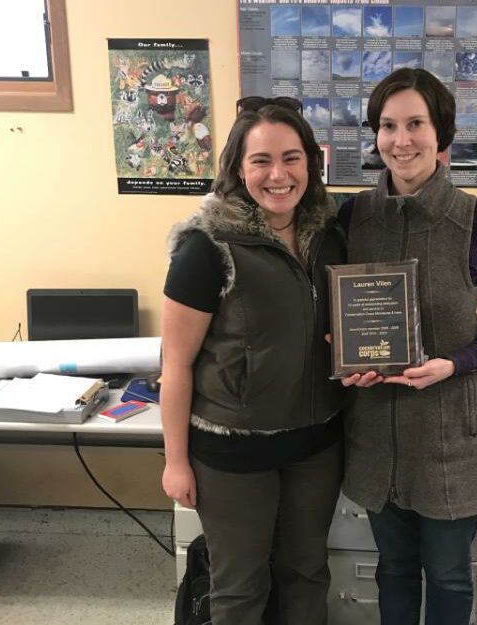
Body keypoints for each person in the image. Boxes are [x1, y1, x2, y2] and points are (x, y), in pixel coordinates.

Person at [338, 68, 477, 625]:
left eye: (415, 124)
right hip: (375, 430)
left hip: (451, 434)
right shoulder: (351, 216)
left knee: (448, 576)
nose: (401, 140)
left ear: (440, 131)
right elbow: (331, 309)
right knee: (394, 569)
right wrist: (341, 353)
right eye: (388, 125)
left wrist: (455, 364)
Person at [160, 97, 345, 625]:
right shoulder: (206, 248)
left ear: (311, 162)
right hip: (232, 453)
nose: (278, 174)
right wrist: (175, 461)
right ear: (239, 169)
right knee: (240, 587)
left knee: (307, 573)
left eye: (291, 158)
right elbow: (174, 365)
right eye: (261, 160)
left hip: (316, 445)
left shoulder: (330, 237)